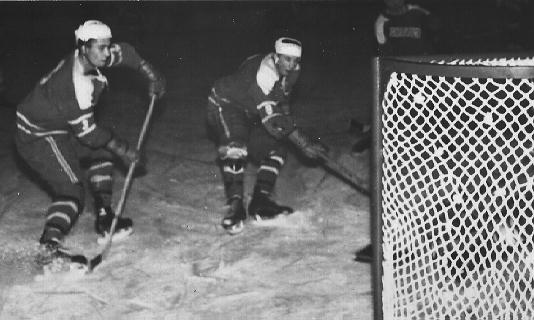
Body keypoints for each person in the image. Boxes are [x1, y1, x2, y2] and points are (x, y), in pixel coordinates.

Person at [15, 20, 166, 265]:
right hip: (37, 136)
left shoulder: (92, 54)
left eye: (108, 47)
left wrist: (149, 72)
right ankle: (48, 248)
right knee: (71, 191)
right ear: (84, 48)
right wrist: (125, 150)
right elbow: (89, 135)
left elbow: (125, 52)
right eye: (101, 48)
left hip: (61, 127)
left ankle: (105, 217)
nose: (107, 53)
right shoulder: (75, 84)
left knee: (101, 153)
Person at [207, 37, 326, 235]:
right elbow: (272, 120)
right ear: (277, 57)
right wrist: (302, 141)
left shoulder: (293, 71)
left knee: (277, 147)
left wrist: (289, 129)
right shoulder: (265, 74)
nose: (292, 65)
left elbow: (282, 103)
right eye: (287, 60)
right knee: (236, 146)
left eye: (295, 60)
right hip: (225, 104)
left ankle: (260, 201)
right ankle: (236, 206)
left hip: (251, 111)